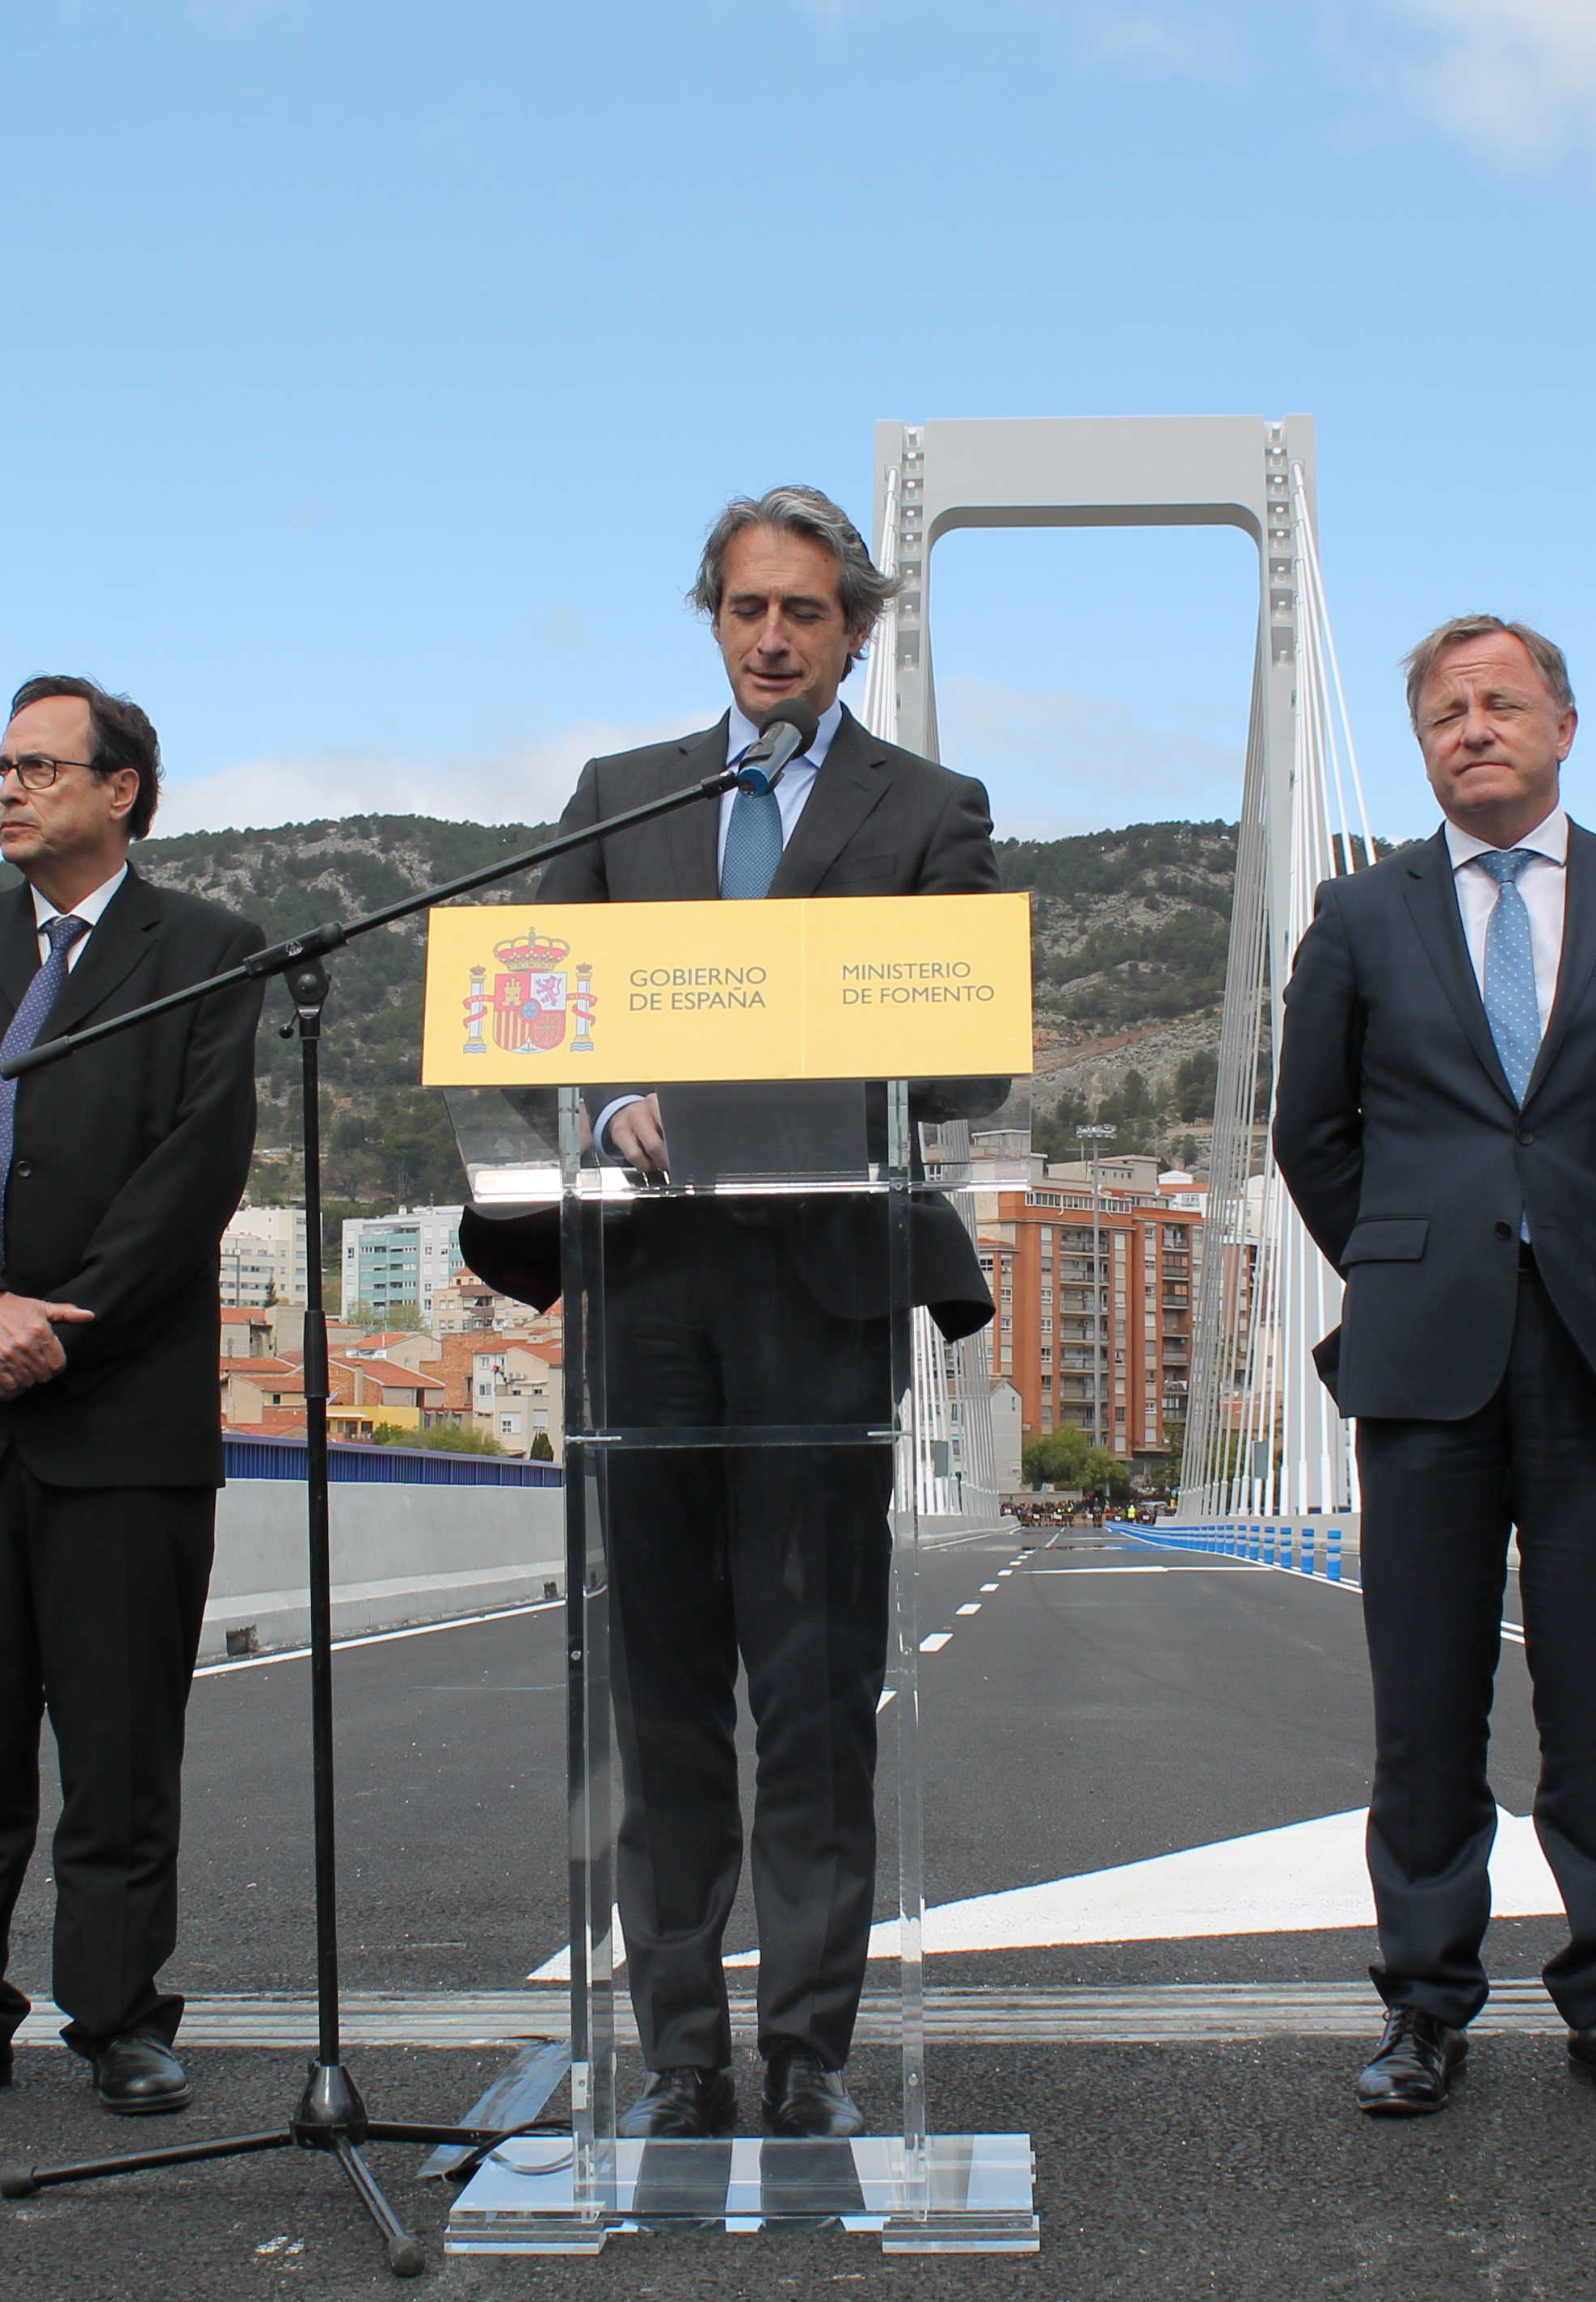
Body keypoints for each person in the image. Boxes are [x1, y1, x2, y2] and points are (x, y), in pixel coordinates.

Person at [512, 486, 1000, 2141]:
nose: (773, 636)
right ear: (712, 621)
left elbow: (966, 1049)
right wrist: (604, 1103)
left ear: (854, 629)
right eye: (745, 610)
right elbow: (531, 1017)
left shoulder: (930, 810)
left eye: (805, 611)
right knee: (657, 1705)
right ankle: (677, 2050)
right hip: (644, 1306)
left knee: (807, 1698)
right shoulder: (618, 797)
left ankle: (805, 2046)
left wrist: (792, 1086)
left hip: (812, 1306)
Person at [1271, 615, 1596, 2119]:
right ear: (1421, 743)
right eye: (1445, 713)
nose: (1474, 729)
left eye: (1502, 704)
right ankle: (1424, 2004)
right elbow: (1314, 1137)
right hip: (1424, 1357)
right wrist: (1412, 1256)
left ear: (1563, 724)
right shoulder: (1359, 916)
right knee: (1425, 1701)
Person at [0, 675, 264, 2118]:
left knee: (123, 1754)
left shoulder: (207, 951)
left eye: (39, 767)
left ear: (121, 789)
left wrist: (59, 1327)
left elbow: (192, 1178)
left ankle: (120, 2019)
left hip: (118, 1421)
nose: (10, 790)